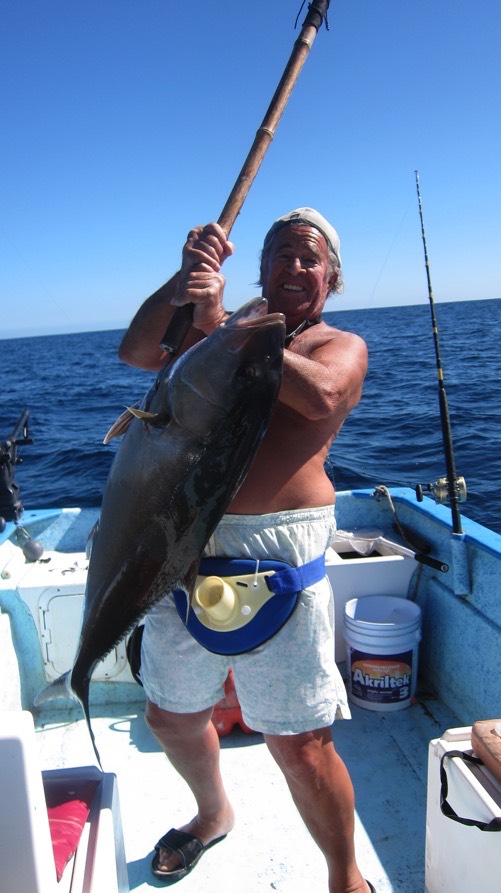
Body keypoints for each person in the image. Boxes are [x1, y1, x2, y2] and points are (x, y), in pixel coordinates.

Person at [118, 208, 373, 893]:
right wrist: (184, 279)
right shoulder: (215, 334)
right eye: (281, 253)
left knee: (300, 744)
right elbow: (137, 352)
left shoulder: (338, 345)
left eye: (310, 258)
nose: (295, 265)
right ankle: (212, 813)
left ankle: (346, 877)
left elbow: (321, 398)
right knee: (170, 716)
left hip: (281, 556)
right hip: (185, 542)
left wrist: (230, 329)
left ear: (331, 278)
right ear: (259, 269)